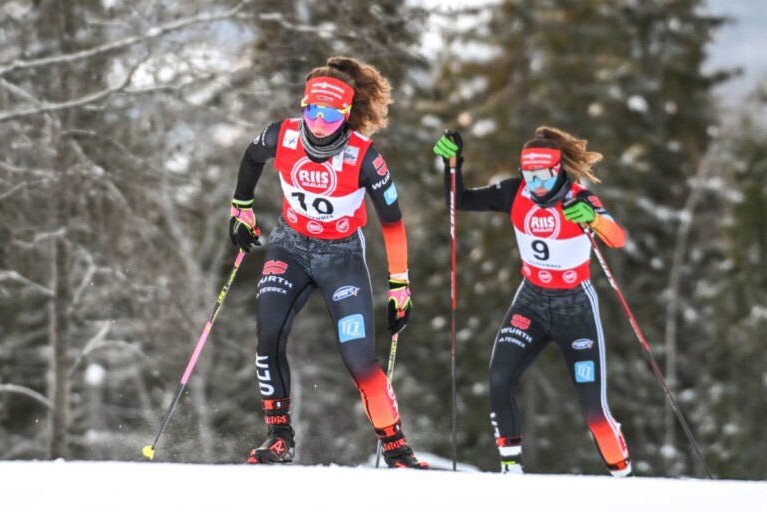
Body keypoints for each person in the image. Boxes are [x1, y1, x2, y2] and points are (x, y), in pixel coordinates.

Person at [228, 56, 428, 469]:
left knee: (358, 358)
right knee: (267, 337)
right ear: (304, 107)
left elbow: (392, 222)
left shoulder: (364, 157)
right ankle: (279, 437)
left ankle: (396, 447)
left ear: (346, 115)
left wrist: (400, 285)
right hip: (289, 247)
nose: (319, 123)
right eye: (312, 111)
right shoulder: (281, 136)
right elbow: (251, 158)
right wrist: (241, 209)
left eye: (331, 115)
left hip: (342, 257)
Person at [433, 126, 632, 477]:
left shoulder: (579, 199)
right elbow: (459, 200)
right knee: (499, 379)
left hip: (575, 309)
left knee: (594, 412)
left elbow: (617, 239)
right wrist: (452, 164)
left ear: (559, 171)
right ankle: (511, 468)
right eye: (529, 175)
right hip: (531, 302)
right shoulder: (515, 193)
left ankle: (621, 472)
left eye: (544, 176)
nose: (536, 184)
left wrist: (595, 220)